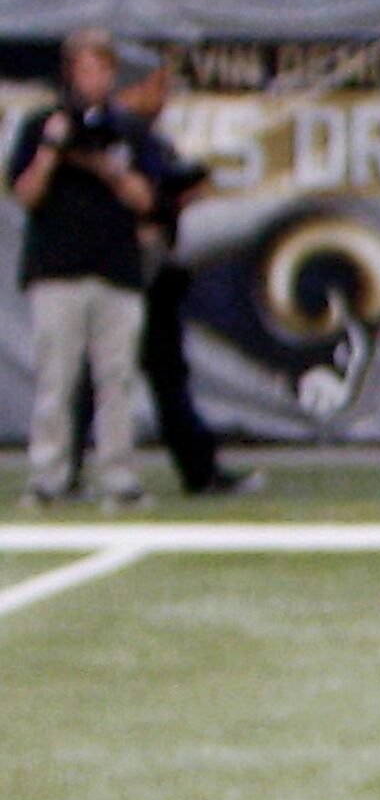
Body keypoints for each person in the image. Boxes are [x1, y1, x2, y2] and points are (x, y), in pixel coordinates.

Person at [12, 30, 163, 507]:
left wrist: (108, 167)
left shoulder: (129, 130)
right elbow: (26, 195)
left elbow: (147, 201)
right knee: (56, 378)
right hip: (58, 269)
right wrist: (54, 150)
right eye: (86, 69)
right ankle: (49, 475)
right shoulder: (40, 124)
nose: (95, 80)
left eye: (103, 70)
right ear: (71, 73)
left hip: (115, 270)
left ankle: (118, 475)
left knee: (116, 378)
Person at [112, 48, 254, 497]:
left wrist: (181, 194)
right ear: (131, 89)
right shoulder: (114, 134)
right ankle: (71, 472)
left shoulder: (151, 138)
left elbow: (168, 193)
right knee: (98, 374)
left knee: (165, 373)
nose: (165, 96)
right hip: (117, 268)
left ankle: (199, 468)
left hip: (156, 268)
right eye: (157, 85)